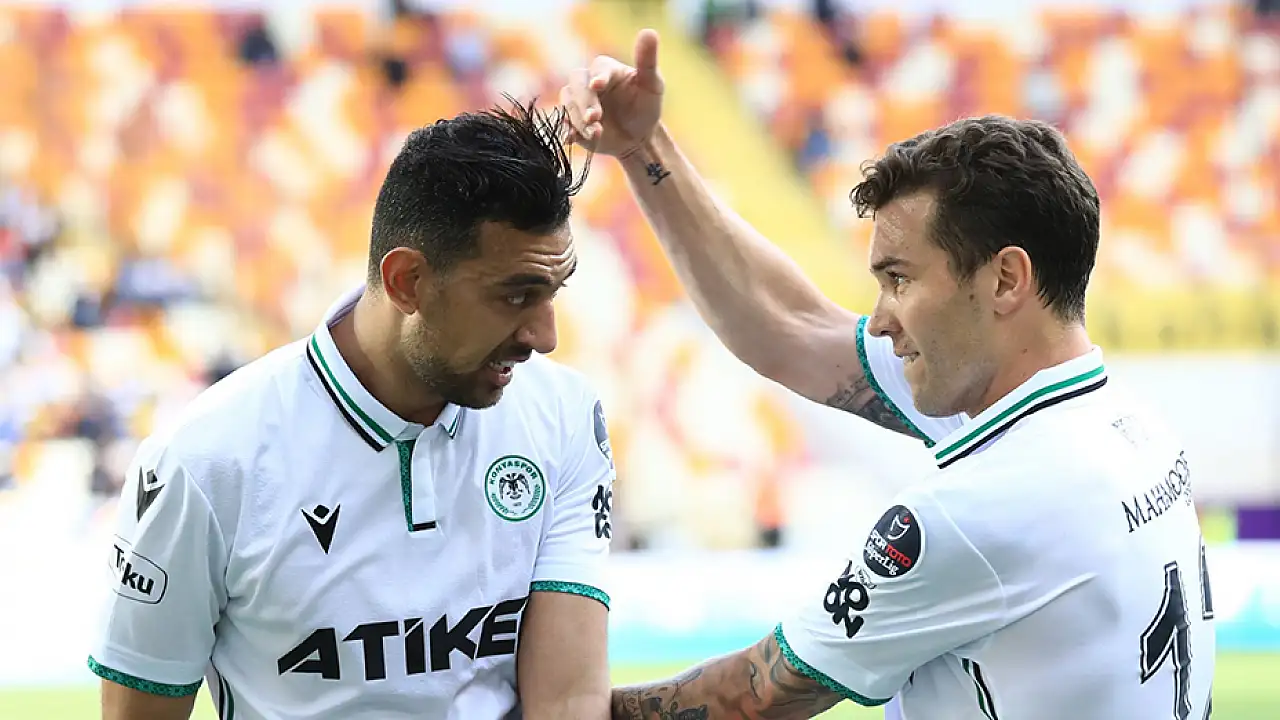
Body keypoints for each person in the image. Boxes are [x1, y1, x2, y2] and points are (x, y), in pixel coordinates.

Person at [560, 30, 1215, 720]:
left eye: (899, 279)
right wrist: (644, 149)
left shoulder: (983, 507)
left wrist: (554, 711)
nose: (879, 321)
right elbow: (790, 327)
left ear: (1005, 280)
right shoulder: (1124, 425)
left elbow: (751, 696)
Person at [88, 99, 616, 720]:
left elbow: (569, 701)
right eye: (516, 296)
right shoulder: (205, 461)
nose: (544, 336)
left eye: (553, 291)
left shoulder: (564, 417)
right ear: (407, 282)